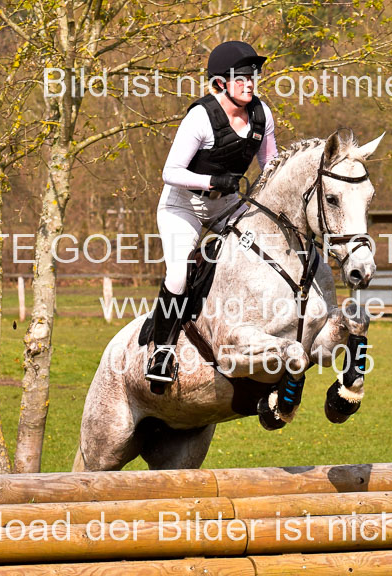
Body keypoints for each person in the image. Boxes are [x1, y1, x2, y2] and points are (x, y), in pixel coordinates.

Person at [145, 40, 278, 391]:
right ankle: (162, 351)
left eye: (253, 76)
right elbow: (170, 171)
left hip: (228, 205)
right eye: (241, 77)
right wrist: (211, 179)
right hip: (183, 205)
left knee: (262, 255)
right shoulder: (201, 117)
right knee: (178, 274)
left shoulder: (262, 116)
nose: (250, 83)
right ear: (221, 83)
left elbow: (270, 167)